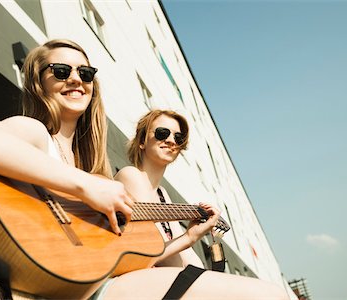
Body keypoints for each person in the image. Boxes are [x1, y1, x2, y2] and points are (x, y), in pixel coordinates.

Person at [0, 39, 287, 299]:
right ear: (39, 83)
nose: (76, 79)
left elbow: (129, 259)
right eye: (60, 70)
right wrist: (87, 186)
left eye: (85, 73)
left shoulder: (88, 167)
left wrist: (189, 236)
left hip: (102, 286)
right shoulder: (38, 134)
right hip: (78, 292)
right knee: (269, 295)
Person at [107, 109, 290, 299]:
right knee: (272, 295)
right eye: (162, 133)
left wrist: (210, 278)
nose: (171, 141)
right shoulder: (132, 176)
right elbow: (159, 254)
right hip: (137, 284)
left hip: (163, 282)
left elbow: (186, 258)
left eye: (178, 138)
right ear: (142, 141)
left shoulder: (163, 195)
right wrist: (191, 237)